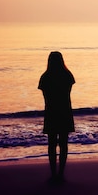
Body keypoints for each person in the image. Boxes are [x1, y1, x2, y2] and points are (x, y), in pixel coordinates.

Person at [38, 51, 75, 182]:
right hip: (65, 111)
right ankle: (61, 173)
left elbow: (45, 97)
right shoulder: (67, 75)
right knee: (63, 144)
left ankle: (53, 173)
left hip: (51, 112)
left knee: (52, 144)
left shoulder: (45, 77)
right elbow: (68, 93)